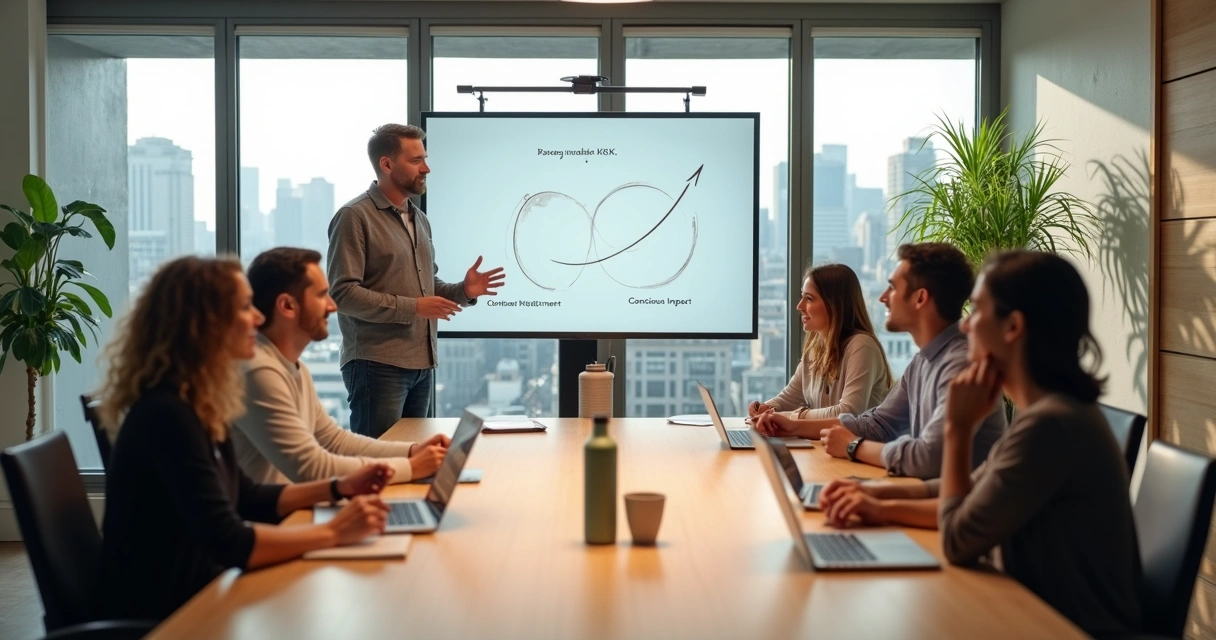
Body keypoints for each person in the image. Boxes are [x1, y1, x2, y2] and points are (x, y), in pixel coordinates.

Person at [817, 250, 1142, 638]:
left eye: (979, 311)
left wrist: (957, 427)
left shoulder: (1051, 427)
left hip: (1062, 626)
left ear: (1013, 328)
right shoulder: (1049, 414)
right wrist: (876, 500)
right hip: (1030, 609)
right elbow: (971, 490)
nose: (966, 327)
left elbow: (957, 536)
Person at [93, 256, 392, 621]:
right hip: (169, 616)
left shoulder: (195, 401)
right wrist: (334, 531)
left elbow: (246, 496)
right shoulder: (167, 415)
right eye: (244, 307)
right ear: (202, 324)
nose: (258, 317)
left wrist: (337, 487)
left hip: (202, 594)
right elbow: (229, 540)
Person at [754, 243, 1005, 478]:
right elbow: (878, 425)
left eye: (893, 287)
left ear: (920, 298)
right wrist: (791, 426)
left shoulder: (959, 365)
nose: (883, 297)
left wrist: (853, 447)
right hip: (931, 497)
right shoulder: (922, 363)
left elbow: (930, 457)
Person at [328, 123, 506, 437]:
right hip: (376, 365)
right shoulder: (354, 216)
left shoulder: (419, 219)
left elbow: (426, 287)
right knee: (379, 466)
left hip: (421, 365)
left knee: (411, 463)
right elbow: (343, 294)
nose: (426, 168)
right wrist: (413, 308)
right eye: (415, 161)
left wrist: (464, 291)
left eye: (424, 158)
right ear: (386, 164)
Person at [232, 247, 451, 486]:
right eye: (321, 295)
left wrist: (412, 451)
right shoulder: (259, 371)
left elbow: (334, 441)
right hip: (278, 519)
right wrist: (409, 468)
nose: (332, 306)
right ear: (287, 306)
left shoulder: (293, 368)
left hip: (295, 511)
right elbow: (310, 467)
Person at [748, 263, 892, 422]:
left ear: (834, 304)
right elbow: (792, 396)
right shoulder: (815, 346)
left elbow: (848, 413)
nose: (799, 306)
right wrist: (766, 409)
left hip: (855, 446)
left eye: (809, 299)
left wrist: (795, 417)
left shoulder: (862, 347)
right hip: (823, 444)